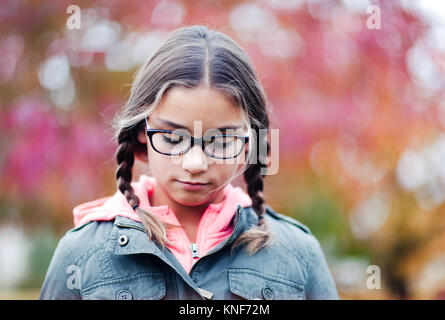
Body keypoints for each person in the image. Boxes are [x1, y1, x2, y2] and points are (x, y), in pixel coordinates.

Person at [39, 25, 339, 300]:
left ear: (250, 144)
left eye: (221, 141)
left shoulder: (298, 254)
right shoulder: (82, 254)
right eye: (173, 138)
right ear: (142, 132)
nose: (195, 163)